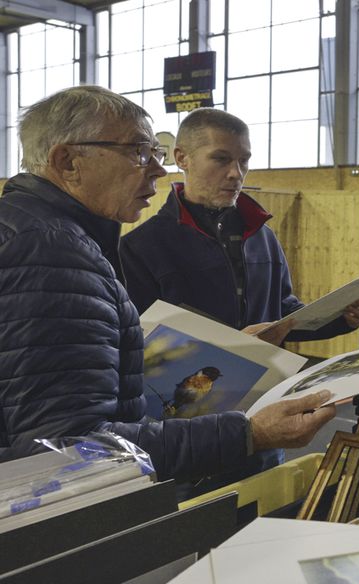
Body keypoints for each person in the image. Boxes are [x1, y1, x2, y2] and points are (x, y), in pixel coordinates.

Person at [0, 86, 335, 480]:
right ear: (68, 160)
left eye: (155, 155)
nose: (158, 170)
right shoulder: (49, 253)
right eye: (138, 152)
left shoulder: (34, 232)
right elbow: (68, 450)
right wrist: (249, 432)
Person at [120, 108, 359, 347]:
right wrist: (233, 348)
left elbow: (284, 313)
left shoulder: (262, 236)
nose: (236, 173)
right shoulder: (140, 248)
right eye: (221, 159)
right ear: (182, 158)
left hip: (267, 387)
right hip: (187, 391)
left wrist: (342, 319)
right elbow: (138, 341)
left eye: (244, 161)